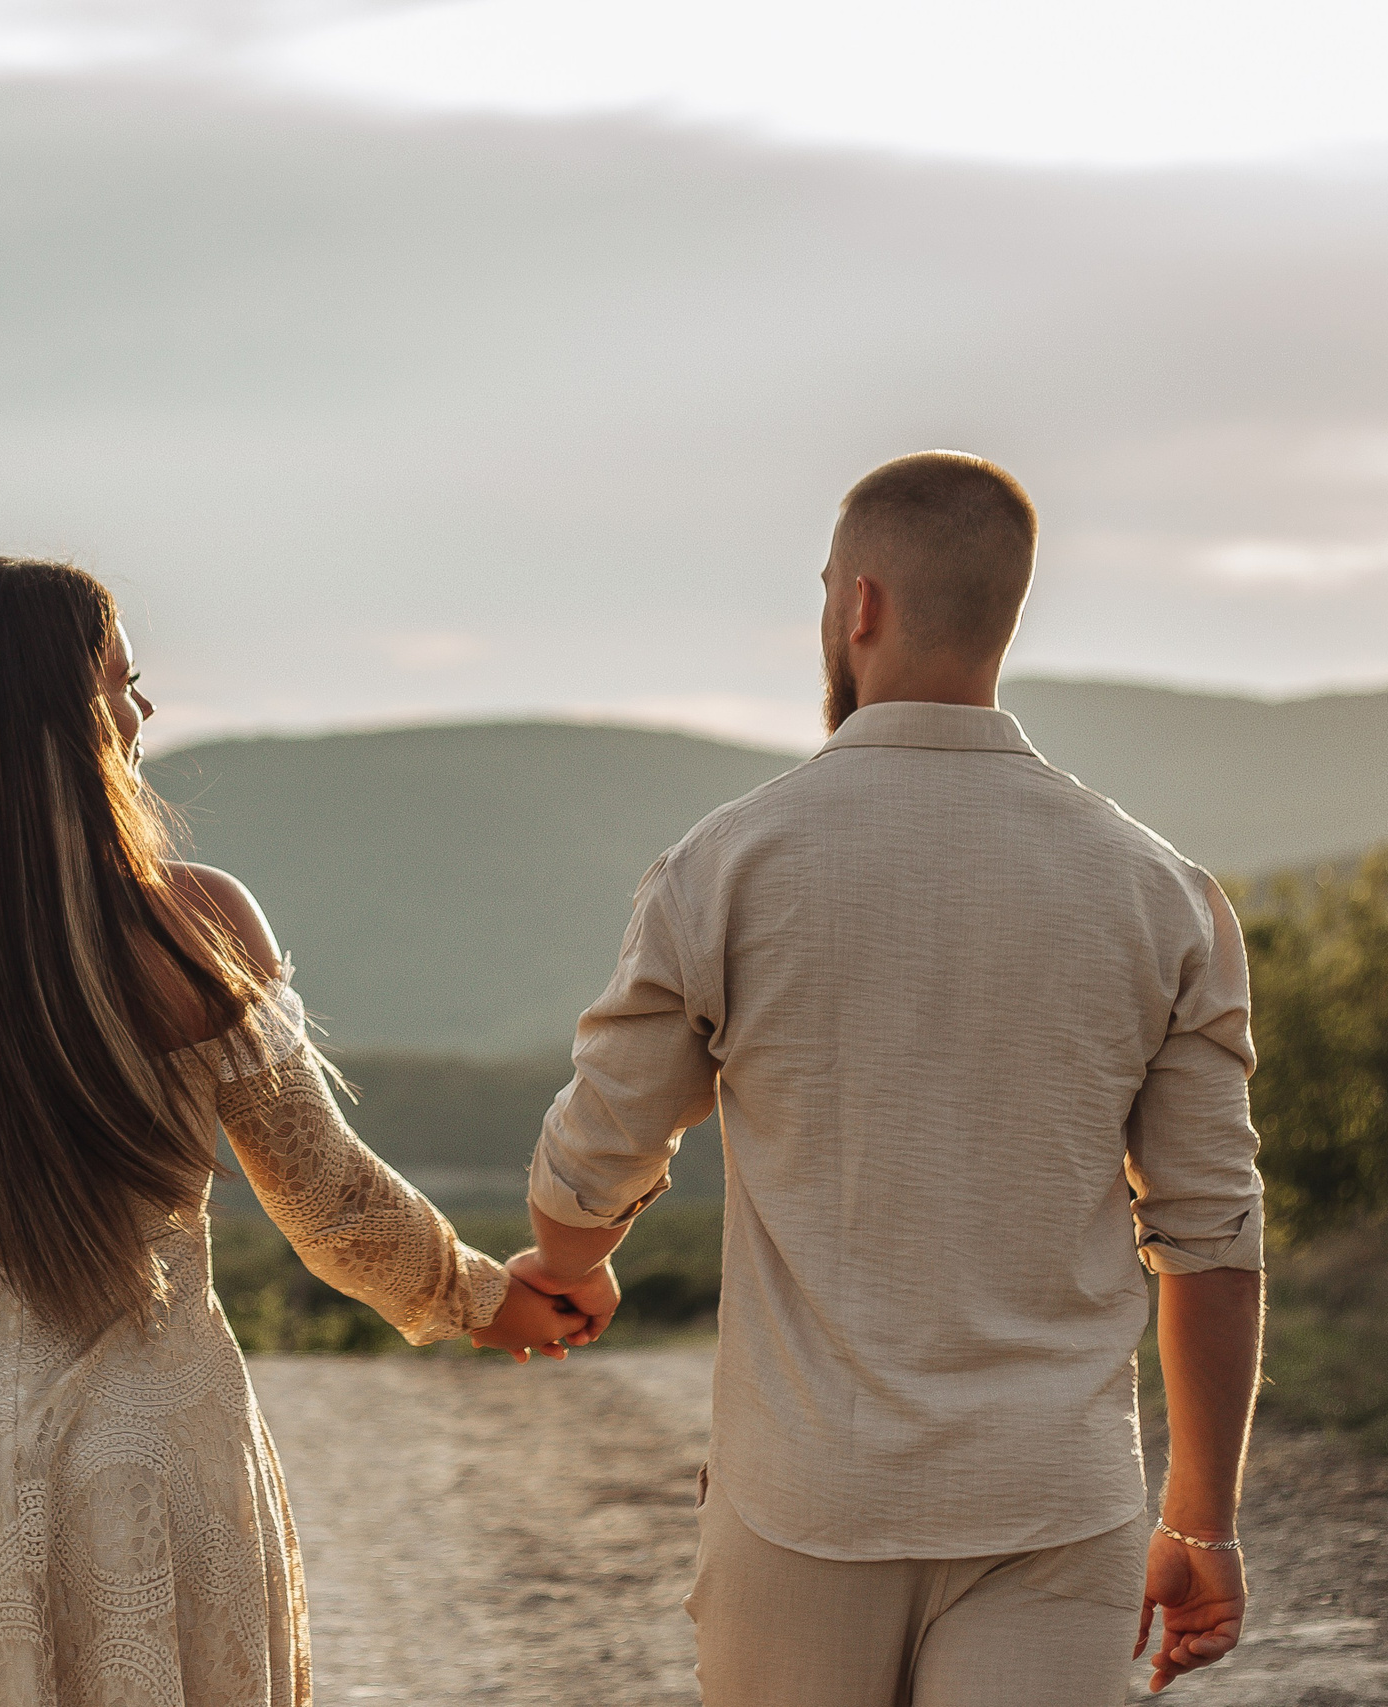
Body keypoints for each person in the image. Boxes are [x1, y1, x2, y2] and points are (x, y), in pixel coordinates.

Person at [0, 557, 586, 1707]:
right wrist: (483, 1295)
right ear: (66, 715)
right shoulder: (199, 924)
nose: (143, 711)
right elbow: (330, 1202)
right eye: (125, 681)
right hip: (159, 1461)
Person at [511, 452, 1266, 1704]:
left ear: (857, 605)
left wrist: (571, 1266)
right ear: (1004, 613)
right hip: (1051, 1500)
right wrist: (1201, 1521)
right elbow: (1211, 1235)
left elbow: (583, 1177)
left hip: (800, 1497)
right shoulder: (1161, 893)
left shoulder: (726, 867)